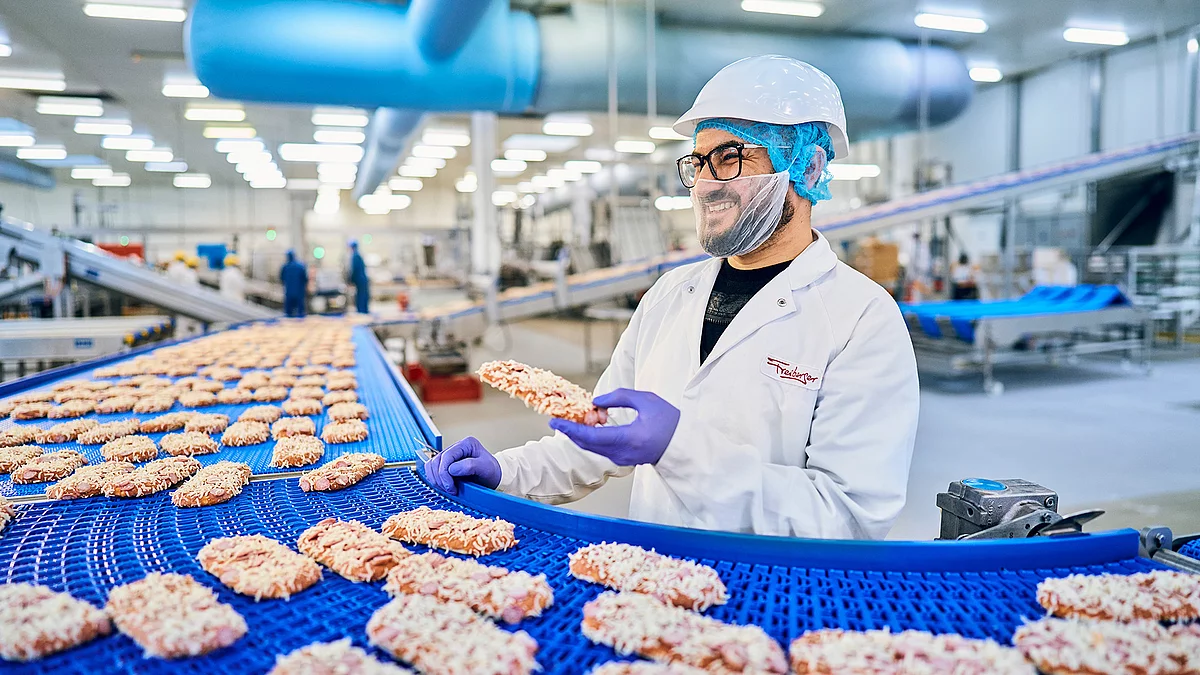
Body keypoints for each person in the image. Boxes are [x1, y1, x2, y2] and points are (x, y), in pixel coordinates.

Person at [424, 55, 920, 540]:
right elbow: (601, 434)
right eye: (699, 162)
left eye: (731, 157)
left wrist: (677, 447)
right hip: (652, 581)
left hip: (773, 597)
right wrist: (506, 472)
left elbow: (844, 517)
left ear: (806, 169)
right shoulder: (669, 295)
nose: (705, 185)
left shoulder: (862, 319)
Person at [280, 249, 308, 318]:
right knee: (300, 313)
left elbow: (281, 279)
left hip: (289, 293)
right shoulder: (300, 266)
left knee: (288, 314)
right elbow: (305, 279)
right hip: (299, 293)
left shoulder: (285, 267)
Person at [347, 240, 369, 314]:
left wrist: (350, 280)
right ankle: (363, 312)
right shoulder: (358, 255)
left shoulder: (355, 256)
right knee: (363, 297)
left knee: (361, 299)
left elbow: (354, 269)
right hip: (362, 280)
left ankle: (362, 314)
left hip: (360, 281)